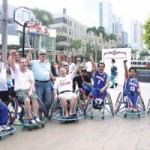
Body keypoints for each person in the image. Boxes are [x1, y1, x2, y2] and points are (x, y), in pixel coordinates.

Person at [11, 53, 41, 124]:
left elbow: (33, 82)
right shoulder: (16, 71)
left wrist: (30, 90)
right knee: (27, 100)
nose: (24, 64)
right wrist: (12, 56)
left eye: (25, 62)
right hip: (20, 90)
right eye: (22, 62)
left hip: (29, 90)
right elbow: (12, 64)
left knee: (34, 98)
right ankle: (30, 117)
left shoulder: (30, 72)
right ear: (19, 64)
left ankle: (36, 116)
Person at [26, 48, 55, 116]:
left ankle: (46, 113)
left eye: (44, 54)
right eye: (41, 54)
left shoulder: (48, 63)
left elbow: (49, 72)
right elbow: (26, 62)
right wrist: (30, 53)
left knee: (48, 100)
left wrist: (53, 78)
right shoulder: (34, 62)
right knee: (39, 100)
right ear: (38, 55)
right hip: (38, 83)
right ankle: (38, 114)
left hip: (48, 83)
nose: (43, 55)